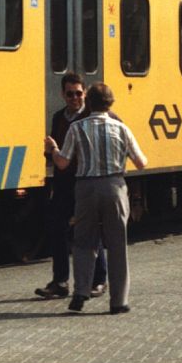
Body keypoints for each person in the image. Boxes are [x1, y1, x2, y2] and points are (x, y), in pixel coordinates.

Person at [45, 82, 147, 315]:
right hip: (114, 187)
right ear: (110, 103)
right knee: (117, 244)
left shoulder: (77, 128)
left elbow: (62, 163)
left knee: (83, 242)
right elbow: (141, 162)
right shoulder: (121, 128)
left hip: (85, 188)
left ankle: (80, 292)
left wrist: (53, 149)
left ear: (88, 102)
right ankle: (118, 301)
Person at [34, 73, 108, 300]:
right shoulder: (58, 118)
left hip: (85, 181)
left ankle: (98, 281)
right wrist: (51, 153)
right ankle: (60, 282)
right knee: (57, 229)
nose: (75, 98)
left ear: (85, 93)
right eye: (70, 94)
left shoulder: (91, 116)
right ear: (63, 95)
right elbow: (56, 153)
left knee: (90, 231)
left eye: (78, 93)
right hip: (64, 182)